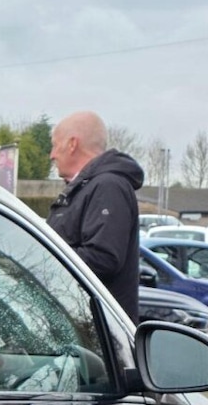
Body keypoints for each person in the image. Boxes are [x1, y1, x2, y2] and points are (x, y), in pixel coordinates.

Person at [46, 111, 144, 320]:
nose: (52, 155)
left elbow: (103, 259)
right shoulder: (86, 189)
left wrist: (43, 257)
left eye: (55, 145)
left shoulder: (108, 187)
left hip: (97, 333)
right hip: (80, 325)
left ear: (72, 144)